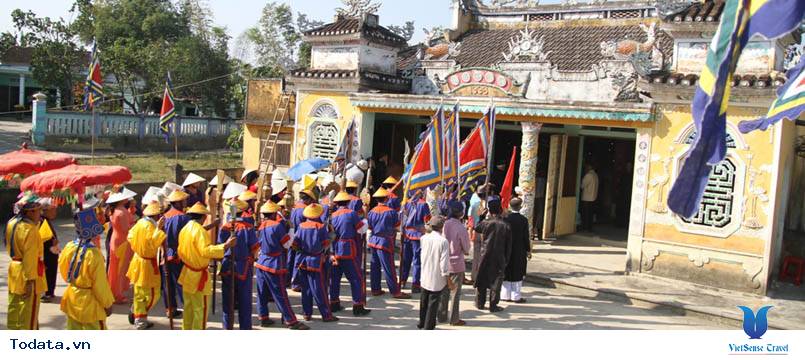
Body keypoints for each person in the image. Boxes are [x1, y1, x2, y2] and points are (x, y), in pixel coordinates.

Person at [178, 202, 236, 330]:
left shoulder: (186, 228)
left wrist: (211, 226)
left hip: (187, 272)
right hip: (198, 275)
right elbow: (205, 251)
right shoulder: (199, 231)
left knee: (188, 307)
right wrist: (225, 246)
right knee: (200, 309)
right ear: (203, 217)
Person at [58, 203, 114, 330]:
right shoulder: (94, 254)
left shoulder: (69, 247)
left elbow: (63, 270)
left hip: (72, 296)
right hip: (90, 301)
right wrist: (107, 303)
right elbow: (100, 283)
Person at [255, 201, 309, 330]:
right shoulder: (276, 226)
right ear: (274, 213)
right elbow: (286, 244)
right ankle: (291, 320)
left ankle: (263, 317)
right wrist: (290, 229)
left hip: (261, 262)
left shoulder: (261, 226)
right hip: (274, 264)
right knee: (280, 294)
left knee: (262, 293)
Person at [292, 203, 339, 322]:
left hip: (302, 260)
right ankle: (326, 314)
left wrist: (304, 250)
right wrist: (332, 235)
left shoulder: (301, 226)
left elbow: (295, 244)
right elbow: (325, 243)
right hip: (316, 260)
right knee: (319, 289)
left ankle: (307, 313)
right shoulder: (320, 226)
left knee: (306, 288)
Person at [218, 198, 259, 330]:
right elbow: (254, 248)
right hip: (243, 267)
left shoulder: (224, 227)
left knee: (228, 300)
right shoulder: (247, 228)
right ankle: (245, 327)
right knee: (244, 300)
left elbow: (221, 246)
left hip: (227, 266)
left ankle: (227, 326)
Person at [5, 196, 45, 330]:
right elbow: (30, 256)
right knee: (28, 311)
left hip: (14, 268)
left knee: (14, 306)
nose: (40, 214)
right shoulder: (30, 229)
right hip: (26, 271)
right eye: (38, 211)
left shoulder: (11, 223)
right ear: (30, 212)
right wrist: (30, 280)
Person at [328, 192, 371, 316]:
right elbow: (361, 229)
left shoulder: (333, 215)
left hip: (335, 249)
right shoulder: (352, 214)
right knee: (356, 278)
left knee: (335, 279)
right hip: (348, 249)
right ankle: (358, 306)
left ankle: (334, 303)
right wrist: (364, 219)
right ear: (348, 202)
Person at [126, 202, 167, 329]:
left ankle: (139, 316)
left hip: (137, 260)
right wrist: (159, 230)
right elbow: (153, 244)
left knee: (139, 293)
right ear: (156, 216)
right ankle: (139, 315)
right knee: (153, 294)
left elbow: (130, 236)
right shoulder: (150, 227)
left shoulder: (139, 223)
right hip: (147, 263)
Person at [367, 188, 410, 299]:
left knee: (375, 266)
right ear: (386, 198)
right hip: (385, 241)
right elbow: (397, 227)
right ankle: (395, 291)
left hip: (374, 240)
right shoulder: (391, 212)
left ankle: (375, 289)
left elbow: (370, 227)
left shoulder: (371, 212)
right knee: (388, 267)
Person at [472, 196, 512, 313]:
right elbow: (508, 246)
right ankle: (493, 305)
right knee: (496, 282)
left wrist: (481, 217)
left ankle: (480, 302)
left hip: (485, 255)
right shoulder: (506, 225)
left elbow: (477, 228)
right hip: (499, 256)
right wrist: (506, 260)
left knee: (482, 279)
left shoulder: (486, 223)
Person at [438, 200, 471, 326]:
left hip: (443, 262)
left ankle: (441, 316)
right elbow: (467, 248)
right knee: (455, 293)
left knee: (443, 291)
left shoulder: (443, 225)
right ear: (461, 213)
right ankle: (454, 318)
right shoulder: (461, 227)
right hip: (456, 263)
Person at [161, 190, 191, 319]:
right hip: (178, 253)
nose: (185, 202)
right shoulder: (183, 217)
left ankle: (170, 309)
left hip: (165, 253)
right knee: (181, 282)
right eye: (183, 200)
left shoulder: (164, 216)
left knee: (168, 283)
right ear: (178, 202)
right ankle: (187, 307)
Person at [417, 215, 451, 330]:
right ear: (442, 227)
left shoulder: (424, 238)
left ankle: (422, 322)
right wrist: (447, 278)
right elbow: (444, 263)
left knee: (423, 301)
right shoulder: (443, 241)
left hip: (425, 274)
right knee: (433, 304)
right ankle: (428, 326)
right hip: (436, 277)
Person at [106, 188, 136, 304]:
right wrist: (135, 225)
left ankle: (115, 290)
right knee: (120, 268)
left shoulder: (115, 210)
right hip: (122, 241)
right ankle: (118, 293)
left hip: (116, 239)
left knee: (115, 267)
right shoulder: (121, 212)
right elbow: (126, 229)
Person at [502, 197, 531, 303]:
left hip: (507, 248)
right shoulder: (523, 220)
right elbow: (525, 236)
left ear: (510, 206)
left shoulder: (505, 219)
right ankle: (516, 296)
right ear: (521, 206)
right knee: (517, 272)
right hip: (519, 249)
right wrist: (528, 250)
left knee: (507, 270)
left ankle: (505, 295)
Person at [400, 191, 431, 293]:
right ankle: (415, 284)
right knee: (417, 260)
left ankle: (402, 281)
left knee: (406, 260)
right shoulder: (423, 204)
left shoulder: (407, 202)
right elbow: (427, 220)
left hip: (407, 234)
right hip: (418, 235)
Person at [38, 198, 60, 303]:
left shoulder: (46, 220)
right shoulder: (41, 221)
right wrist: (52, 242)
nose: (55, 212)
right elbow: (41, 239)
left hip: (50, 252)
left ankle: (49, 292)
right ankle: (45, 293)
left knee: (51, 271)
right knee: (46, 272)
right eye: (53, 210)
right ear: (45, 210)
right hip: (45, 253)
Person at [467, 186, 487, 285]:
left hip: (476, 231)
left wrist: (470, 232)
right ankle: (481, 277)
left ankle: (474, 276)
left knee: (476, 256)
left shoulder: (473, 205)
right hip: (485, 233)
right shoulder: (487, 206)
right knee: (483, 256)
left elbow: (470, 220)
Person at [580, 164, 599, 232]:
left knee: (586, 214)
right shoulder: (595, 175)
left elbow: (582, 185)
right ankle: (589, 227)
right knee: (590, 213)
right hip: (593, 197)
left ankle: (585, 227)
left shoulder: (588, 175)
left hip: (587, 198)